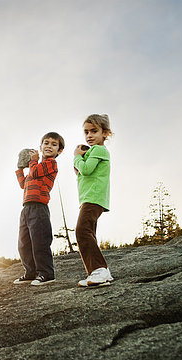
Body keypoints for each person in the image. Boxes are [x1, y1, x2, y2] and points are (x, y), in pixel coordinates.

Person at [14, 132, 65, 286]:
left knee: (39, 242)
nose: (49, 146)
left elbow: (35, 172)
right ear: (40, 146)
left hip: (39, 207)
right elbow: (24, 184)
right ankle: (31, 272)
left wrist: (33, 161)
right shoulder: (34, 166)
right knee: (24, 243)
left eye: (54, 144)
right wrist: (19, 169)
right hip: (26, 208)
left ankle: (46, 273)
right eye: (46, 143)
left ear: (59, 151)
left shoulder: (50, 164)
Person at [73, 114, 114, 287]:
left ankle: (100, 270)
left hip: (93, 197)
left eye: (94, 131)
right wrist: (80, 159)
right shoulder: (93, 152)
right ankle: (97, 272)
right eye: (86, 132)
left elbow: (86, 171)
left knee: (82, 231)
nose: (89, 135)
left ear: (105, 133)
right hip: (91, 198)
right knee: (88, 232)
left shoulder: (99, 150)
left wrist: (76, 156)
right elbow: (79, 172)